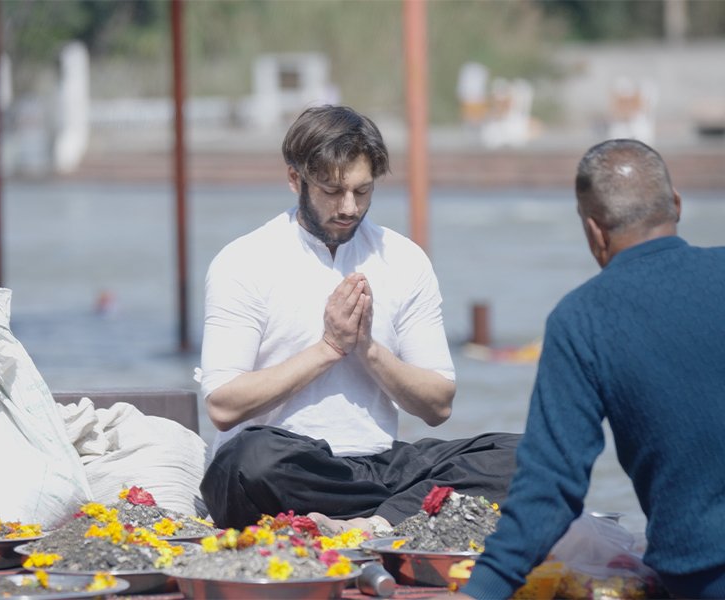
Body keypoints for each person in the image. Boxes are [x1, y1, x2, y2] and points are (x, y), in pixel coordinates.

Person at [198, 105, 520, 531]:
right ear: (295, 179)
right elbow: (223, 406)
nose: (349, 207)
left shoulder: (403, 259)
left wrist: (368, 350)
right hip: (287, 468)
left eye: (362, 191)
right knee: (247, 460)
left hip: (375, 466)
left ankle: (374, 524)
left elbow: (438, 405)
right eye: (332, 191)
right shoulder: (244, 261)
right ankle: (406, 511)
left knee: (525, 456)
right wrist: (329, 348)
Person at [458, 139, 725, 599]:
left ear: (593, 231)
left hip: (704, 574)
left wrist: (480, 590)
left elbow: (549, 489)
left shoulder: (582, 319)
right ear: (676, 205)